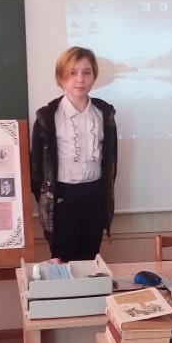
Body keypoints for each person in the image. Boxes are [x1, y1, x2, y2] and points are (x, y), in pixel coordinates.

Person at [30, 47, 117, 262]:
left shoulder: (104, 113)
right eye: (72, 73)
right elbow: (36, 168)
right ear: (60, 76)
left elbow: (111, 160)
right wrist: (48, 197)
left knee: (89, 262)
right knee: (63, 263)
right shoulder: (47, 117)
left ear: (94, 76)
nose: (80, 79)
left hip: (95, 195)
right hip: (62, 198)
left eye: (87, 72)